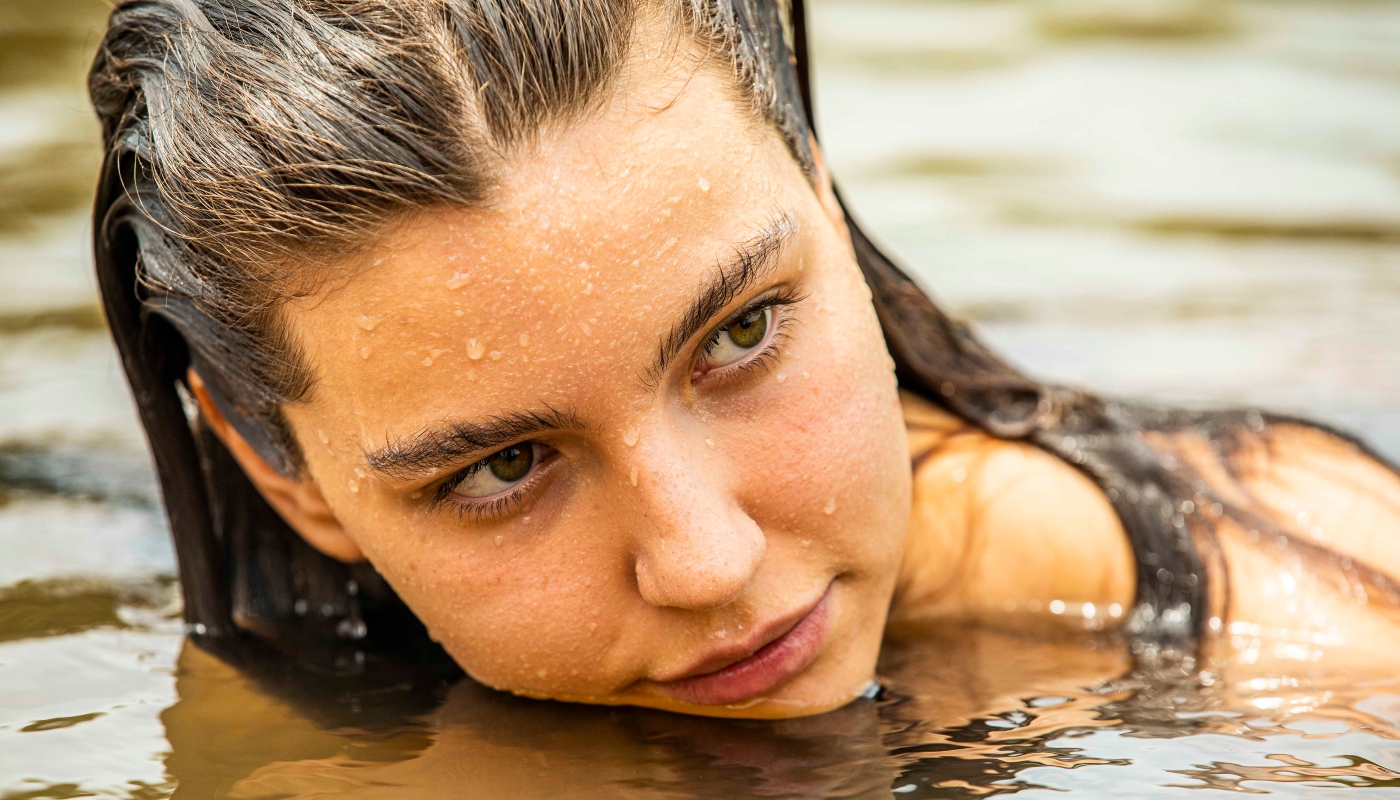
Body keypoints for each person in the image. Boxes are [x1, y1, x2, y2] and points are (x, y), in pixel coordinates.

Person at [88, 0, 1400, 719]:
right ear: (283, 472)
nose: (709, 563)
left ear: (821, 193)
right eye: (505, 466)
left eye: (742, 333)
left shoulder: (1321, 645)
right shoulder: (253, 679)